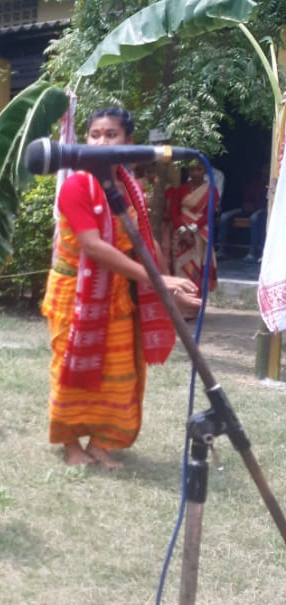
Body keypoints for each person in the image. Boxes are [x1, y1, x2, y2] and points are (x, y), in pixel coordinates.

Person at [44, 107, 198, 469]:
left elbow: (145, 242)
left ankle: (102, 443)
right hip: (74, 294)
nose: (101, 142)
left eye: (111, 135)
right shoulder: (76, 185)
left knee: (119, 372)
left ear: (129, 142)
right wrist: (158, 280)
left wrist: (170, 289)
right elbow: (94, 246)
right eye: (95, 134)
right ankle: (71, 446)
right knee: (72, 369)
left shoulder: (129, 188)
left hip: (118, 295)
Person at [167, 163, 218, 291]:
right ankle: (180, 294)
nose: (195, 173)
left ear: (204, 171)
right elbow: (174, 212)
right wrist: (183, 230)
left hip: (200, 233)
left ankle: (196, 295)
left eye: (198, 169)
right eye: (192, 170)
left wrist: (193, 229)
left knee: (198, 263)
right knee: (180, 263)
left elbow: (209, 213)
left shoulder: (211, 190)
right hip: (180, 232)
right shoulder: (181, 189)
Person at [215, 165, 268, 262]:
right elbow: (247, 199)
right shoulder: (254, 183)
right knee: (225, 216)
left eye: (266, 171)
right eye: (264, 171)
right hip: (249, 209)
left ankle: (252, 252)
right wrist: (247, 204)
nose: (265, 173)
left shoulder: (270, 185)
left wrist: (255, 208)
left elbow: (268, 203)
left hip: (263, 210)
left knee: (254, 218)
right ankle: (221, 250)